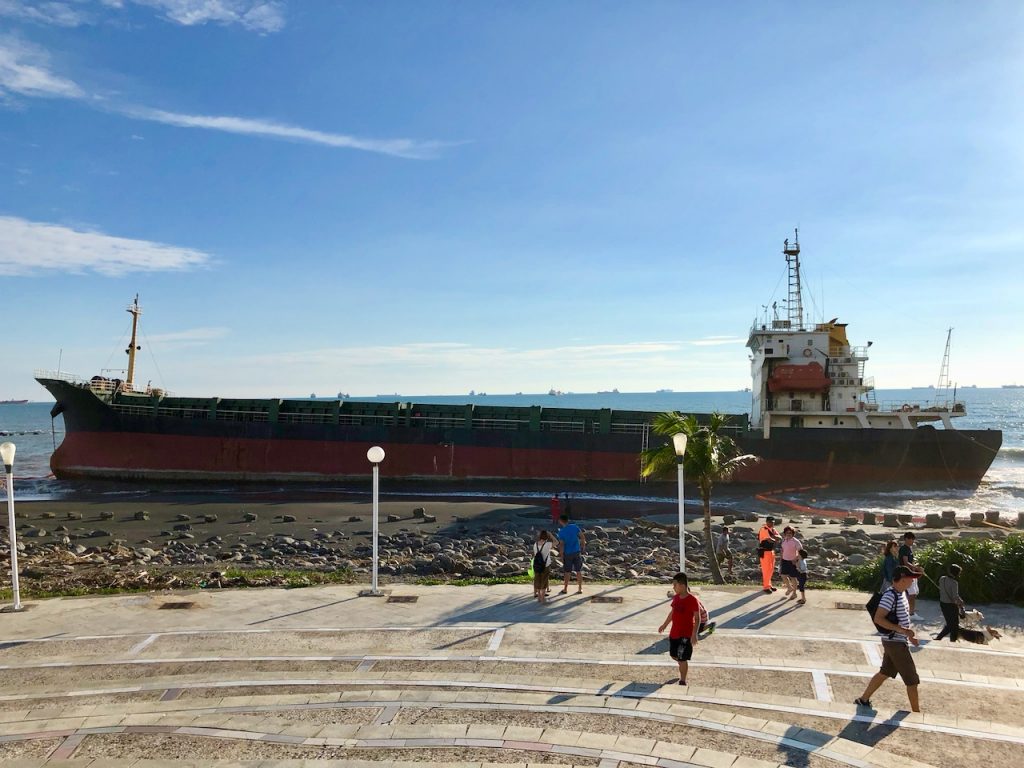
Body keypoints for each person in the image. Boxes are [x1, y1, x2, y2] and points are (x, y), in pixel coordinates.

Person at [855, 566, 922, 713]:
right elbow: (879, 618)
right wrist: (903, 631)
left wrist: (908, 635)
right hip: (895, 642)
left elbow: (901, 619)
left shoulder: (901, 593)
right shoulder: (890, 595)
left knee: (885, 672)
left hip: (896, 641)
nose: (913, 581)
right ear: (903, 579)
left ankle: (863, 699)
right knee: (912, 680)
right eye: (911, 578)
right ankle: (917, 713)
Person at [658, 572, 701, 685]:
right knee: (673, 655)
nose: (673, 587)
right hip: (674, 633)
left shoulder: (692, 600)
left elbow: (697, 618)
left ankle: (683, 679)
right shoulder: (676, 598)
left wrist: (694, 634)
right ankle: (682, 663)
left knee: (682, 659)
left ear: (682, 585)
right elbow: (672, 613)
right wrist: (664, 625)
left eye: (675, 585)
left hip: (685, 635)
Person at [935, 564, 965, 642]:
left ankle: (942, 638)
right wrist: (961, 602)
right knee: (953, 625)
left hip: (943, 604)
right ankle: (944, 639)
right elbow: (955, 597)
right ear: (957, 573)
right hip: (951, 605)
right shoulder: (954, 583)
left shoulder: (942, 579)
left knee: (950, 623)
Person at [557, 513, 586, 594]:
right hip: (576, 552)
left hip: (567, 553)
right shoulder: (574, 527)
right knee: (578, 571)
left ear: (560, 521)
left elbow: (562, 545)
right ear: (567, 520)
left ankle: (565, 589)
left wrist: (561, 555)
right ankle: (580, 588)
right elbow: (582, 537)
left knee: (567, 571)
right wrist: (583, 546)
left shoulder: (561, 532)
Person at [898, 532, 924, 619]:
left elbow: (910, 561)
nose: (912, 541)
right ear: (906, 539)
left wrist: (916, 567)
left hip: (911, 573)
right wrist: (916, 568)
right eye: (910, 539)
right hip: (907, 574)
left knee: (913, 593)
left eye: (913, 539)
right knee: (911, 594)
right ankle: (911, 614)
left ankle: (909, 610)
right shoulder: (904, 549)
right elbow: (905, 562)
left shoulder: (909, 548)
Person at [757, 516, 781, 593]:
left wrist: (775, 538)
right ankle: (766, 587)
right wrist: (775, 539)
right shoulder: (764, 529)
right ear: (767, 522)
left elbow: (780, 537)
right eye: (770, 522)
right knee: (766, 569)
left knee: (771, 569)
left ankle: (769, 585)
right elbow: (769, 540)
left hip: (771, 551)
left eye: (773, 522)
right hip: (765, 551)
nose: (772, 523)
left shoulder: (773, 529)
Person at [532, 530, 555, 605]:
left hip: (537, 565)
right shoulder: (548, 544)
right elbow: (557, 542)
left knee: (537, 580)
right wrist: (551, 535)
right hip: (545, 565)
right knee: (544, 581)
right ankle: (542, 598)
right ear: (547, 536)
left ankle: (538, 597)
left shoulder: (535, 544)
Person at [780, 526, 803, 599]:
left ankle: (794, 593)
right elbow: (783, 550)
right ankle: (789, 588)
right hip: (784, 560)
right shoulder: (784, 540)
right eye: (787, 533)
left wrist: (796, 559)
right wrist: (781, 558)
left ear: (793, 533)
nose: (788, 534)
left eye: (790, 533)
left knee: (793, 578)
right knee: (783, 575)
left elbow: (801, 552)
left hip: (792, 562)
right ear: (785, 533)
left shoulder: (796, 541)